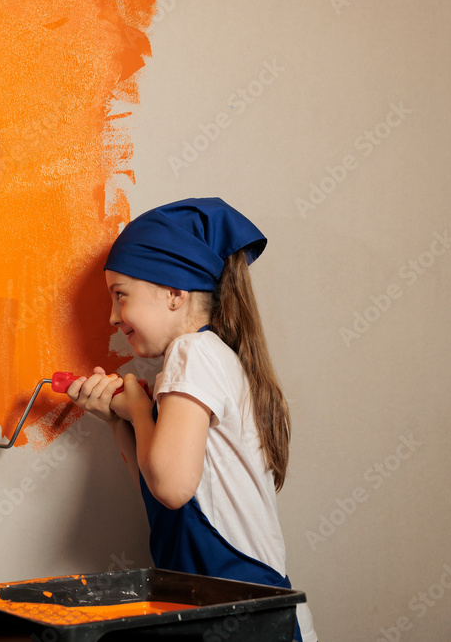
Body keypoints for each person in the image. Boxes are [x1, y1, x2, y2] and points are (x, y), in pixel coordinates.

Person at [66, 198, 317, 641]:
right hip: (234, 605)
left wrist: (140, 410)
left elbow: (171, 486)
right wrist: (117, 420)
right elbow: (158, 479)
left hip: (247, 608)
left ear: (174, 294)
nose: (111, 316)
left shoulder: (193, 352)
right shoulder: (209, 357)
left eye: (120, 295)